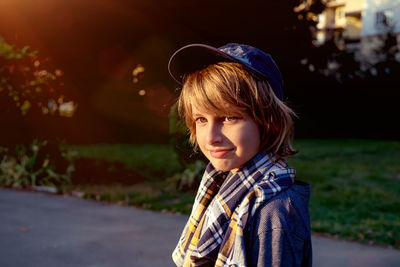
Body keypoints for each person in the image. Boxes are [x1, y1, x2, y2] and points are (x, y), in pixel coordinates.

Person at [168, 43, 312, 267]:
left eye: (228, 118)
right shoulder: (221, 183)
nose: (210, 137)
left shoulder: (273, 210)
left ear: (268, 121)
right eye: (201, 119)